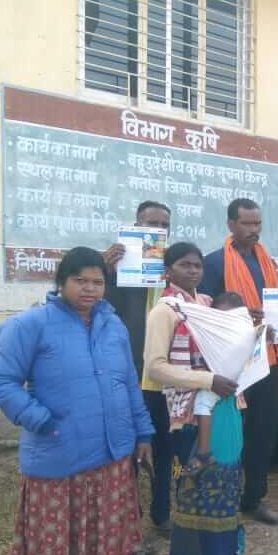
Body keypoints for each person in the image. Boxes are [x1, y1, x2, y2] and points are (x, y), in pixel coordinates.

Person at [0, 247, 154, 555]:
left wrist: (143, 432)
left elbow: (128, 383)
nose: (90, 289)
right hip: (58, 456)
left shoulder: (113, 326)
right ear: (61, 282)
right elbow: (1, 382)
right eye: (80, 280)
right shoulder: (31, 325)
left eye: (97, 282)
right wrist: (42, 420)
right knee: (55, 542)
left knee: (101, 537)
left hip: (110, 453)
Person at [200, 198, 278, 526]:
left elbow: (273, 306)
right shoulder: (214, 263)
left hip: (265, 358)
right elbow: (207, 311)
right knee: (232, 430)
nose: (254, 230)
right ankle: (224, 496)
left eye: (257, 223)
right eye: (247, 223)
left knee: (263, 430)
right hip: (230, 363)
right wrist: (239, 316)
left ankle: (254, 498)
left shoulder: (266, 263)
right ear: (231, 225)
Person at [168, 291, 254, 555]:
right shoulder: (213, 367)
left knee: (224, 510)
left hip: (227, 446)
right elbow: (203, 406)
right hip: (214, 449)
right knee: (210, 515)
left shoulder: (233, 362)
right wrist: (203, 453)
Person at [101, 200, 176, 531]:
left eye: (164, 225)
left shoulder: (174, 265)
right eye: (151, 223)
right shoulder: (119, 265)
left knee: (164, 449)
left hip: (165, 374)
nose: (158, 230)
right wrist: (107, 272)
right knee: (130, 451)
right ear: (136, 225)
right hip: (131, 373)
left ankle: (162, 514)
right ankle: (129, 522)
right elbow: (103, 310)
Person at [144, 244, 238, 494]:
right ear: (168, 271)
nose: (193, 270)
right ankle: (174, 514)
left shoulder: (208, 304)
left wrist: (256, 331)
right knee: (182, 475)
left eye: (197, 265)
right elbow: (155, 368)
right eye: (184, 265)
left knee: (212, 480)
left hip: (215, 403)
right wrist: (208, 380)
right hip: (182, 408)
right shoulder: (164, 311)